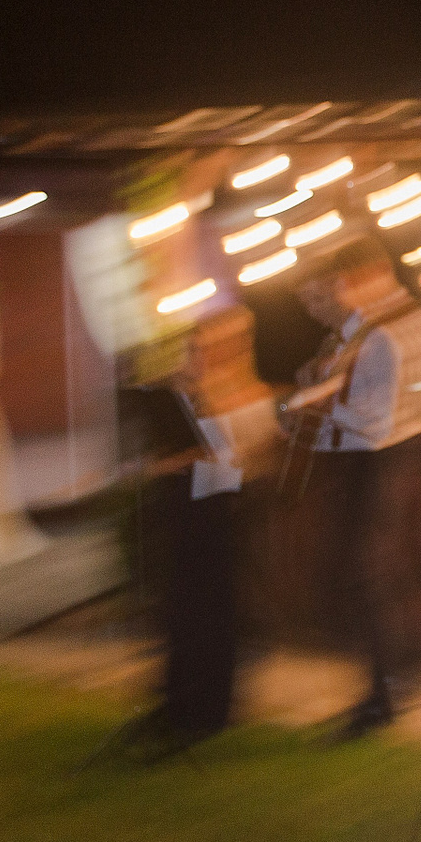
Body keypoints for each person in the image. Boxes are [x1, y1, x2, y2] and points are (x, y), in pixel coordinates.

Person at [285, 237, 421, 735]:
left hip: (373, 460)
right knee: (376, 573)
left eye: (329, 291)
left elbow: (374, 422)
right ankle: (397, 675)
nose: (325, 304)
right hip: (398, 454)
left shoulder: (381, 335)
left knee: (363, 576)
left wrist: (317, 404)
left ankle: (383, 691)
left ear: (357, 278)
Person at [130, 305, 281, 754]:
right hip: (187, 513)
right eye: (196, 347)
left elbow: (252, 459)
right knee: (181, 609)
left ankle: (211, 708)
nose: (202, 355)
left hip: (227, 517)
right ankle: (175, 699)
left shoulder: (252, 393)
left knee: (215, 614)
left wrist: (194, 456)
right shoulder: (190, 392)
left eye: (211, 347)